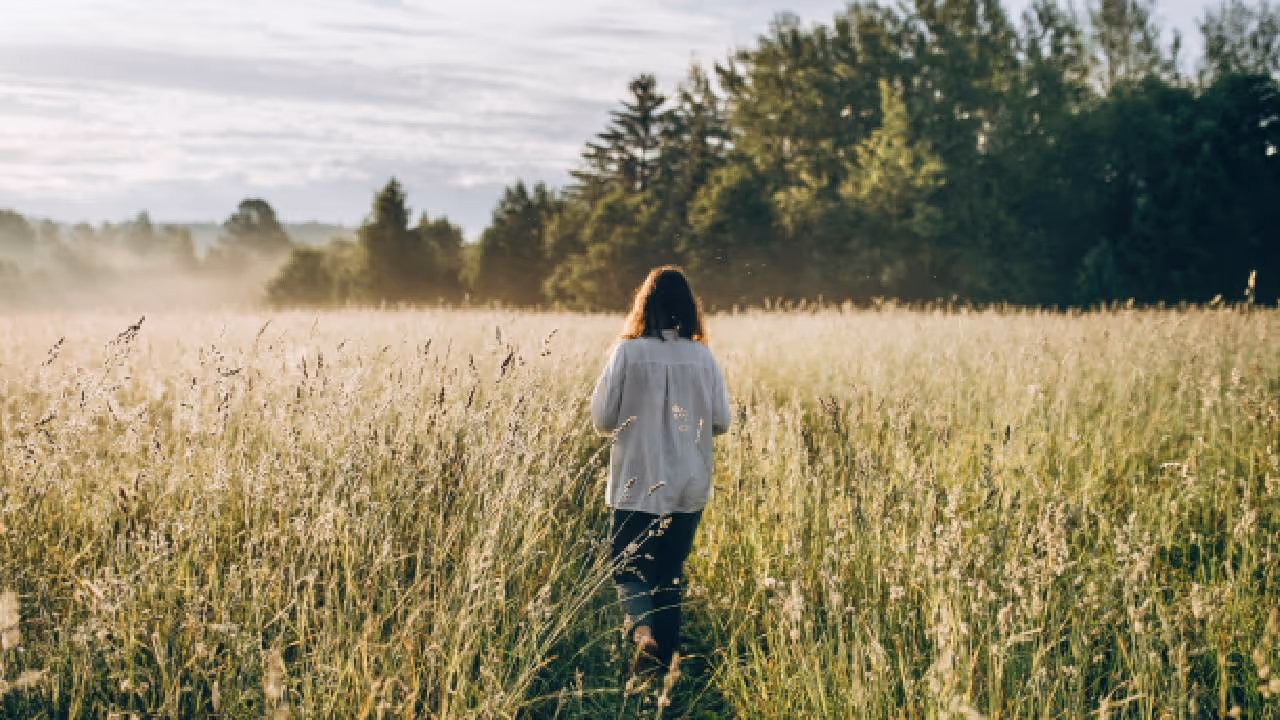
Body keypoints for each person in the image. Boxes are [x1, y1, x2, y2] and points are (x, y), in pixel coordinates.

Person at [590, 265, 731, 679]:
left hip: (636, 482)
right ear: (688, 309)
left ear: (644, 305)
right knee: (670, 571)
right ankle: (665, 671)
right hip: (688, 483)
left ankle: (643, 633)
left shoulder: (627, 352)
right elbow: (722, 421)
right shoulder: (702, 356)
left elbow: (601, 418)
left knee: (628, 568)